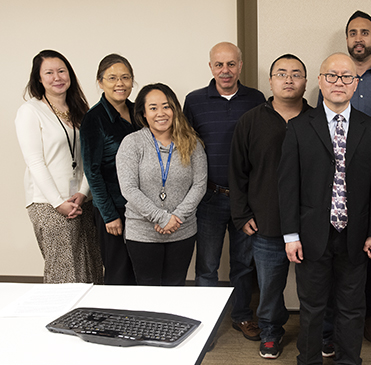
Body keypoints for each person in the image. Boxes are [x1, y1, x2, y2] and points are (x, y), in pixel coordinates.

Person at [279, 53, 371, 365]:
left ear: (356, 84)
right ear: (320, 81)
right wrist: (291, 235)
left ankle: (348, 364)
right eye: (331, 76)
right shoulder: (299, 127)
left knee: (352, 306)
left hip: (356, 235)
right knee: (311, 306)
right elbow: (288, 185)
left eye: (346, 77)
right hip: (312, 234)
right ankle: (307, 363)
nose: (339, 82)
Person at [320, 10, 371, 347]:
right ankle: (332, 321)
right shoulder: (331, 77)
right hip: (338, 182)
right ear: (347, 39)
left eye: (365, 33)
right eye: (353, 33)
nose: (359, 38)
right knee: (333, 257)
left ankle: (369, 314)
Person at [229, 54, 312, 359]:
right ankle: (270, 332)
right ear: (271, 81)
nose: (288, 79)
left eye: (296, 73)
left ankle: (318, 334)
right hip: (266, 222)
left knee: (313, 289)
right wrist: (242, 215)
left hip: (310, 223)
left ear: (306, 81)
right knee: (269, 288)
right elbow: (237, 172)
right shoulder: (251, 121)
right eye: (281, 73)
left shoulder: (317, 120)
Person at [184, 42, 266, 341]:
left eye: (231, 64)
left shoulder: (256, 99)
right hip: (209, 197)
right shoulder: (194, 101)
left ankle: (242, 316)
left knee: (244, 264)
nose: (225, 70)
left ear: (240, 66)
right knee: (207, 265)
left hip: (245, 199)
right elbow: (187, 149)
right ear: (210, 67)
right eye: (219, 65)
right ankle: (206, 321)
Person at [15, 49, 103, 284]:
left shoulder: (81, 111)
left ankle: (89, 319)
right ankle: (58, 321)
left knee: (92, 268)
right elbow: (35, 161)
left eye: (62, 71)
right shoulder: (30, 111)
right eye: (49, 72)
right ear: (38, 79)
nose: (57, 77)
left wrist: (83, 193)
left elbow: (90, 158)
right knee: (64, 272)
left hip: (81, 200)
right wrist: (58, 202)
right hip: (48, 203)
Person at [116, 84, 207, 286]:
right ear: (143, 113)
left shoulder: (192, 142)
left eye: (166, 107)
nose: (161, 113)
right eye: (153, 108)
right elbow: (128, 188)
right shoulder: (132, 143)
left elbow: (200, 185)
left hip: (182, 231)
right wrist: (161, 218)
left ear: (175, 109)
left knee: (176, 287)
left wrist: (176, 218)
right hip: (142, 234)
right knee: (148, 291)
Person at [81, 54, 138, 285]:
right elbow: (92, 171)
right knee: (118, 273)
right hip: (114, 209)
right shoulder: (94, 119)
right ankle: (117, 320)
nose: (120, 83)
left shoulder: (140, 112)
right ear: (100, 81)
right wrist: (109, 215)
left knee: (140, 271)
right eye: (112, 78)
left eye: (125, 77)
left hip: (140, 208)